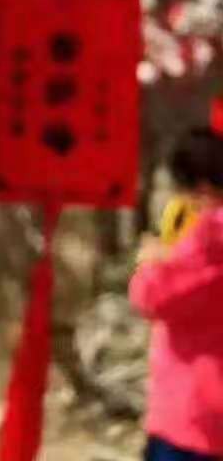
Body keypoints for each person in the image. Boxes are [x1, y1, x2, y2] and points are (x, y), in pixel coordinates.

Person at [130, 126, 223, 461]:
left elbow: (152, 297)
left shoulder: (210, 239)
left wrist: (152, 262)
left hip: (192, 419)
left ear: (202, 188)